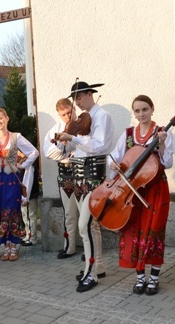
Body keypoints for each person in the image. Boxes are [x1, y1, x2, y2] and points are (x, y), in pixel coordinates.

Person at [108, 95, 172, 296]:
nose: (141, 114)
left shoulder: (160, 132)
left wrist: (161, 144)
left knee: (153, 231)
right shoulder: (128, 134)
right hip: (132, 193)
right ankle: (140, 278)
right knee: (133, 231)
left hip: (155, 190)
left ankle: (154, 278)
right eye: (137, 110)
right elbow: (116, 158)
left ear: (152, 109)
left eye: (145, 109)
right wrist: (113, 165)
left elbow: (167, 162)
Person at [56, 81, 114, 292]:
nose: (77, 103)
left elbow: (99, 146)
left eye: (79, 97)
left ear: (90, 94)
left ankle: (91, 274)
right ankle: (97, 265)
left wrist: (73, 136)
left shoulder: (102, 116)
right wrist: (66, 140)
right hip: (79, 176)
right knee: (91, 225)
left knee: (85, 225)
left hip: (93, 177)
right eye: (75, 99)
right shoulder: (82, 121)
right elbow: (76, 147)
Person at [0, 108, 39, 261]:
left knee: (13, 211)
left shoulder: (16, 137)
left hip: (11, 181)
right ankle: (5, 247)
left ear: (7, 118)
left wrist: (23, 164)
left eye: (0, 118)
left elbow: (34, 152)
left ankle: (13, 247)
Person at [43, 98, 79, 259]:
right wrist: (62, 150)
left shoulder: (85, 126)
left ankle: (90, 247)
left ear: (74, 109)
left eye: (69, 112)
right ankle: (69, 246)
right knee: (69, 213)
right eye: (63, 114)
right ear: (59, 114)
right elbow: (48, 152)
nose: (67, 117)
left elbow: (91, 147)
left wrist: (75, 152)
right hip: (66, 176)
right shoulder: (55, 130)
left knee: (88, 215)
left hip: (84, 174)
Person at [21, 145, 40, 246]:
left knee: (29, 216)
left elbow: (28, 182)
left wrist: (25, 198)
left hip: (29, 195)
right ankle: (28, 235)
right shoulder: (27, 163)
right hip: (29, 194)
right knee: (26, 216)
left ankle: (32, 238)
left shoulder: (29, 164)